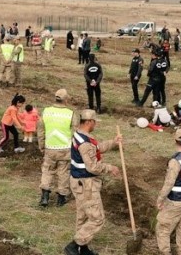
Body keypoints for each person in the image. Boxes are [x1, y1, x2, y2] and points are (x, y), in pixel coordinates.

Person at [65, 109, 122, 255]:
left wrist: (113, 143)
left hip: (79, 182)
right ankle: (74, 245)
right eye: (95, 121)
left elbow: (96, 148)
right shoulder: (84, 142)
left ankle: (82, 249)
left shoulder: (81, 135)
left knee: (83, 215)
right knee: (97, 219)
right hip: (86, 184)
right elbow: (93, 167)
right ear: (89, 122)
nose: (95, 124)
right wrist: (110, 168)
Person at [155, 128, 181, 255]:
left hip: (176, 200)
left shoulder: (175, 161)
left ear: (175, 141)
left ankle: (165, 252)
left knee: (162, 228)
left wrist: (160, 199)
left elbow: (169, 183)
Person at [38, 89, 75, 208]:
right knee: (63, 172)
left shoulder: (46, 112)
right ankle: (61, 198)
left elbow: (40, 131)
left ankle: (44, 196)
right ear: (66, 100)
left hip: (50, 147)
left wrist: (42, 146)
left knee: (47, 170)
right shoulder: (70, 114)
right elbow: (75, 133)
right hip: (65, 149)